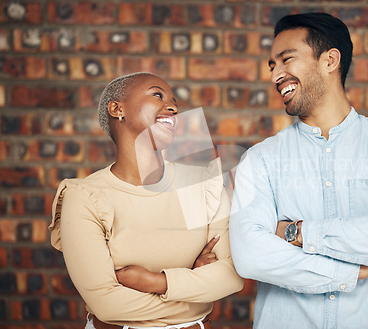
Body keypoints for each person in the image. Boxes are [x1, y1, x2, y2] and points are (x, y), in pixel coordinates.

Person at [229, 13, 368, 329]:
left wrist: (296, 232)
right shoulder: (260, 160)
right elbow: (250, 254)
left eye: (286, 60)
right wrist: (347, 272)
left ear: (330, 60)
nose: (275, 76)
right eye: (272, 66)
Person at [49, 72, 243, 329]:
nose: (173, 107)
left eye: (174, 101)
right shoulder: (85, 197)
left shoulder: (202, 183)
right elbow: (105, 303)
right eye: (157, 95)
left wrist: (156, 282)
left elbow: (231, 276)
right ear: (118, 109)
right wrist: (193, 285)